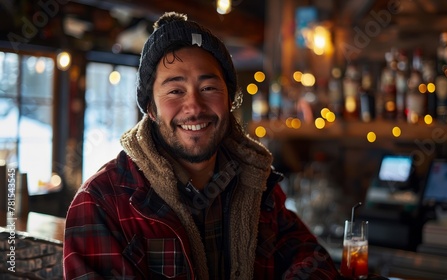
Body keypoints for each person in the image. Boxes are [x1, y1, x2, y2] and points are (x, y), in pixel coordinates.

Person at [63, 11, 340, 279]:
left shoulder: (258, 185)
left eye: (209, 88)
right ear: (151, 108)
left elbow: (310, 261)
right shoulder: (101, 201)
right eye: (175, 90)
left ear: (229, 101)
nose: (194, 106)